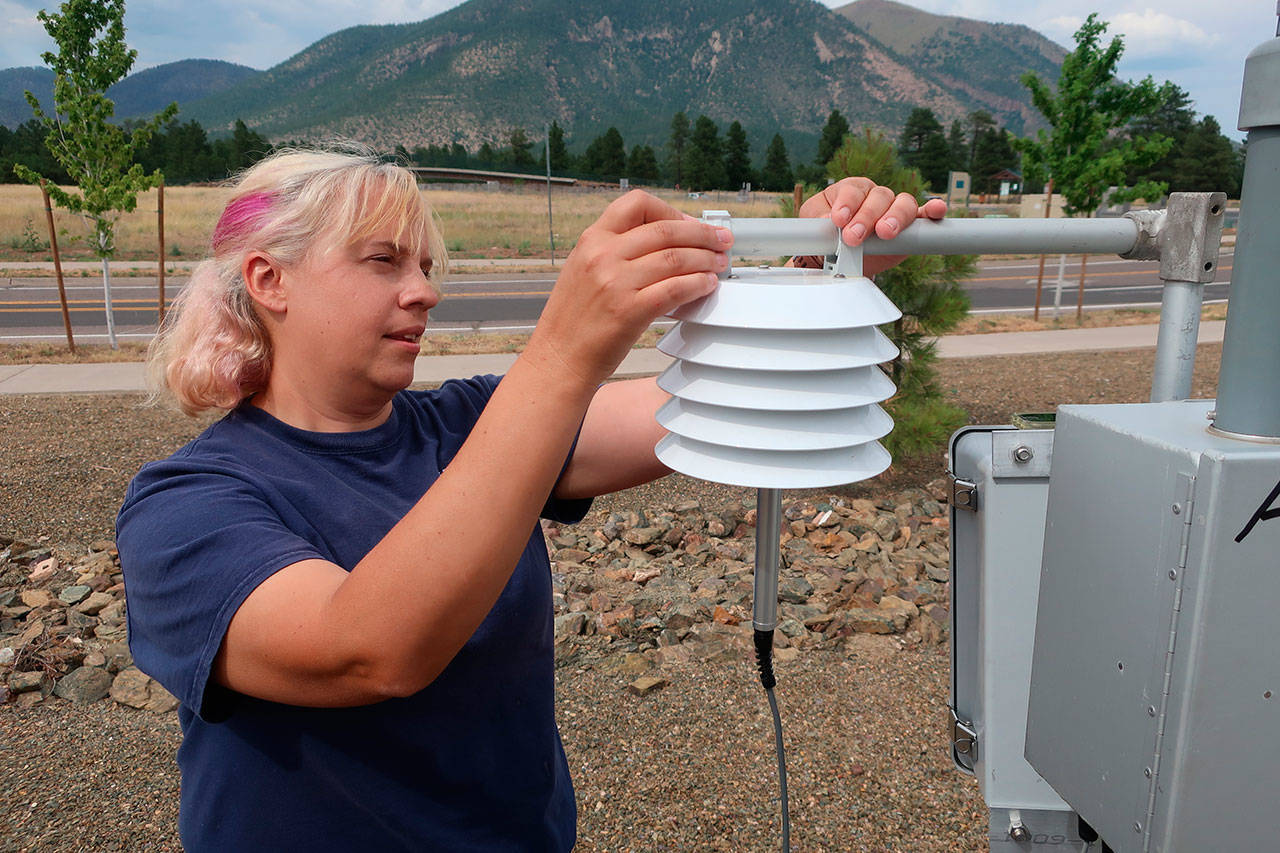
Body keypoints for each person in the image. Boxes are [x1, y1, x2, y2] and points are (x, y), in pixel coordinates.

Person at [116, 147, 945, 851]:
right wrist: (563, 347)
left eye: (427, 267)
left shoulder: (469, 425)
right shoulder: (187, 503)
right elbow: (368, 649)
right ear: (270, 279)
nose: (424, 292)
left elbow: (715, 399)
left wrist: (810, 285)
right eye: (384, 261)